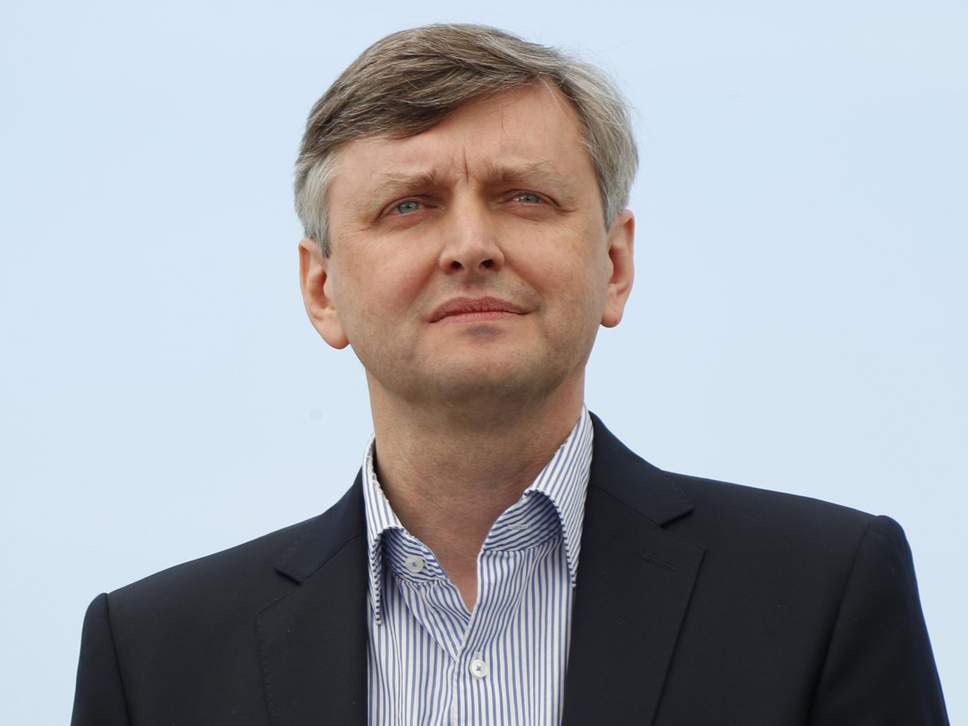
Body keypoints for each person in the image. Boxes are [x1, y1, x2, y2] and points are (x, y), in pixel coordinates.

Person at [70, 23, 949, 726]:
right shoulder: (153, 660)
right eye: (408, 206)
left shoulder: (824, 596)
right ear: (321, 290)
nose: (471, 246)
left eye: (524, 196)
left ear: (615, 264)